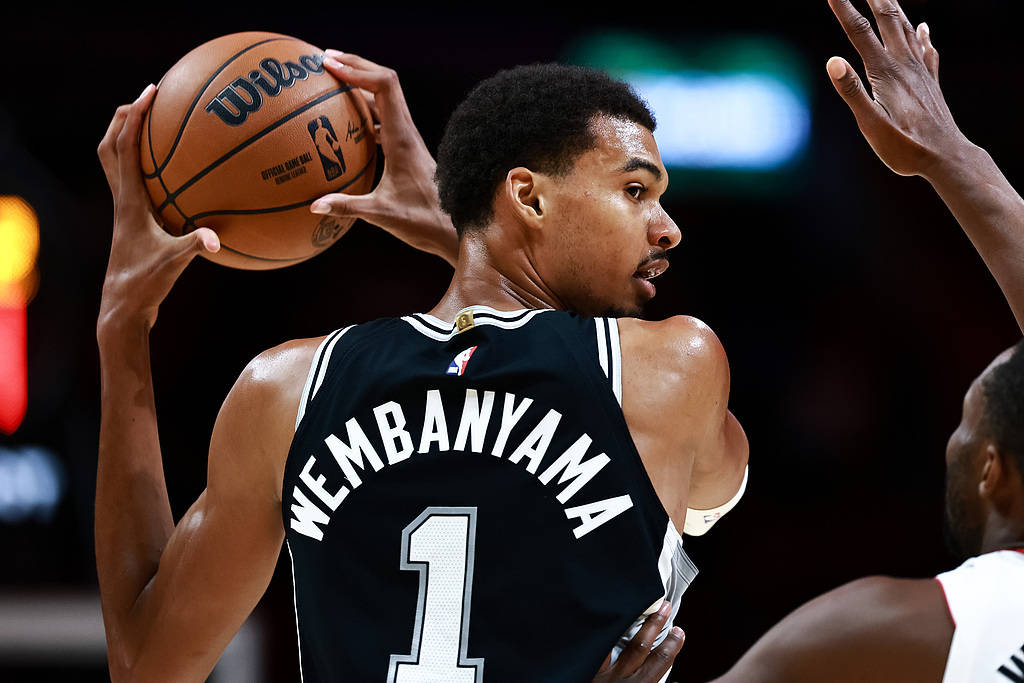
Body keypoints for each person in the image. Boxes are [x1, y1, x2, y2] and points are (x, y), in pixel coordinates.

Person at [94, 46, 748, 683]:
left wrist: (123, 328)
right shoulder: (672, 366)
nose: (668, 228)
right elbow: (712, 496)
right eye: (635, 190)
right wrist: (462, 233)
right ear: (527, 197)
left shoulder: (284, 389)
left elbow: (146, 663)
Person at [644, 0, 1024, 680]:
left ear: (992, 468)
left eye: (963, 426)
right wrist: (954, 160)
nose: (949, 443)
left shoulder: (892, 623)